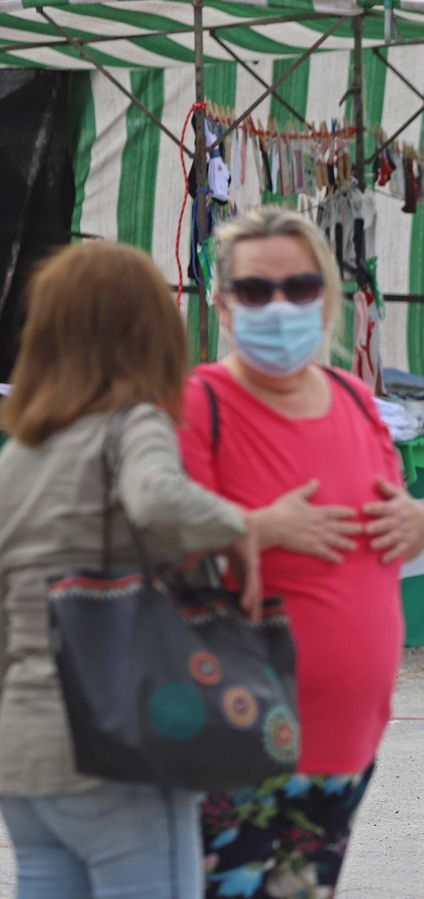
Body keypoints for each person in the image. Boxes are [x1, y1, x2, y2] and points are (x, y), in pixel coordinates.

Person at [178, 208, 424, 898]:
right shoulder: (199, 404)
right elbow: (155, 549)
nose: (280, 305)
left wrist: (416, 522)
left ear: (327, 293)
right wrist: (258, 528)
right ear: (223, 302)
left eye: (299, 285)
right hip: (237, 746)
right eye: (256, 291)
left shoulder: (354, 397)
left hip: (345, 746)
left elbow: (393, 510)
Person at [0, 242, 261, 898]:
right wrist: (238, 527)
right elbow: (156, 498)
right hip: (113, 741)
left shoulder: (20, 454)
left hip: (25, 750)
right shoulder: (131, 423)